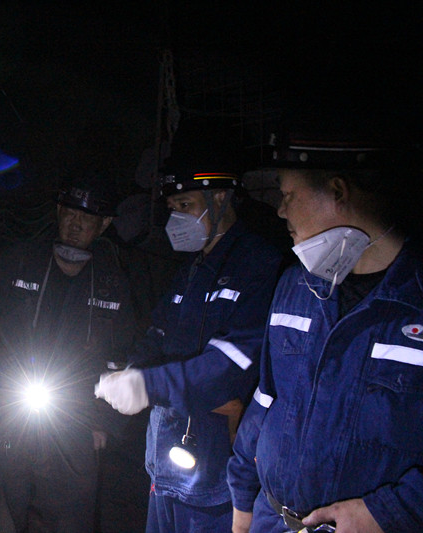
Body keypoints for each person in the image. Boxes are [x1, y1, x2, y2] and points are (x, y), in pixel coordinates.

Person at [227, 122, 423, 532]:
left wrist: (392, 512)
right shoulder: (295, 286)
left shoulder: (414, 300)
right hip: (272, 519)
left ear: (337, 191)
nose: (280, 211)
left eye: (288, 195)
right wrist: (243, 499)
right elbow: (267, 397)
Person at [95, 168, 283, 532]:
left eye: (185, 204)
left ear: (220, 199)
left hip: (216, 471)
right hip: (164, 461)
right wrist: (132, 371)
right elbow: (157, 332)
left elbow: (232, 364)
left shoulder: (258, 264)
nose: (177, 217)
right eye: (172, 207)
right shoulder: (191, 269)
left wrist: (148, 386)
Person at [0, 173, 137, 532]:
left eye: (86, 217)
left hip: (74, 420)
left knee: (73, 519)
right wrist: (0, 379)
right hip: (7, 410)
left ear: (104, 224)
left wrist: (103, 422)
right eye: (69, 213)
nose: (75, 224)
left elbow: (122, 359)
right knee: (2, 514)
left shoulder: (112, 282)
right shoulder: (20, 260)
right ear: (57, 212)